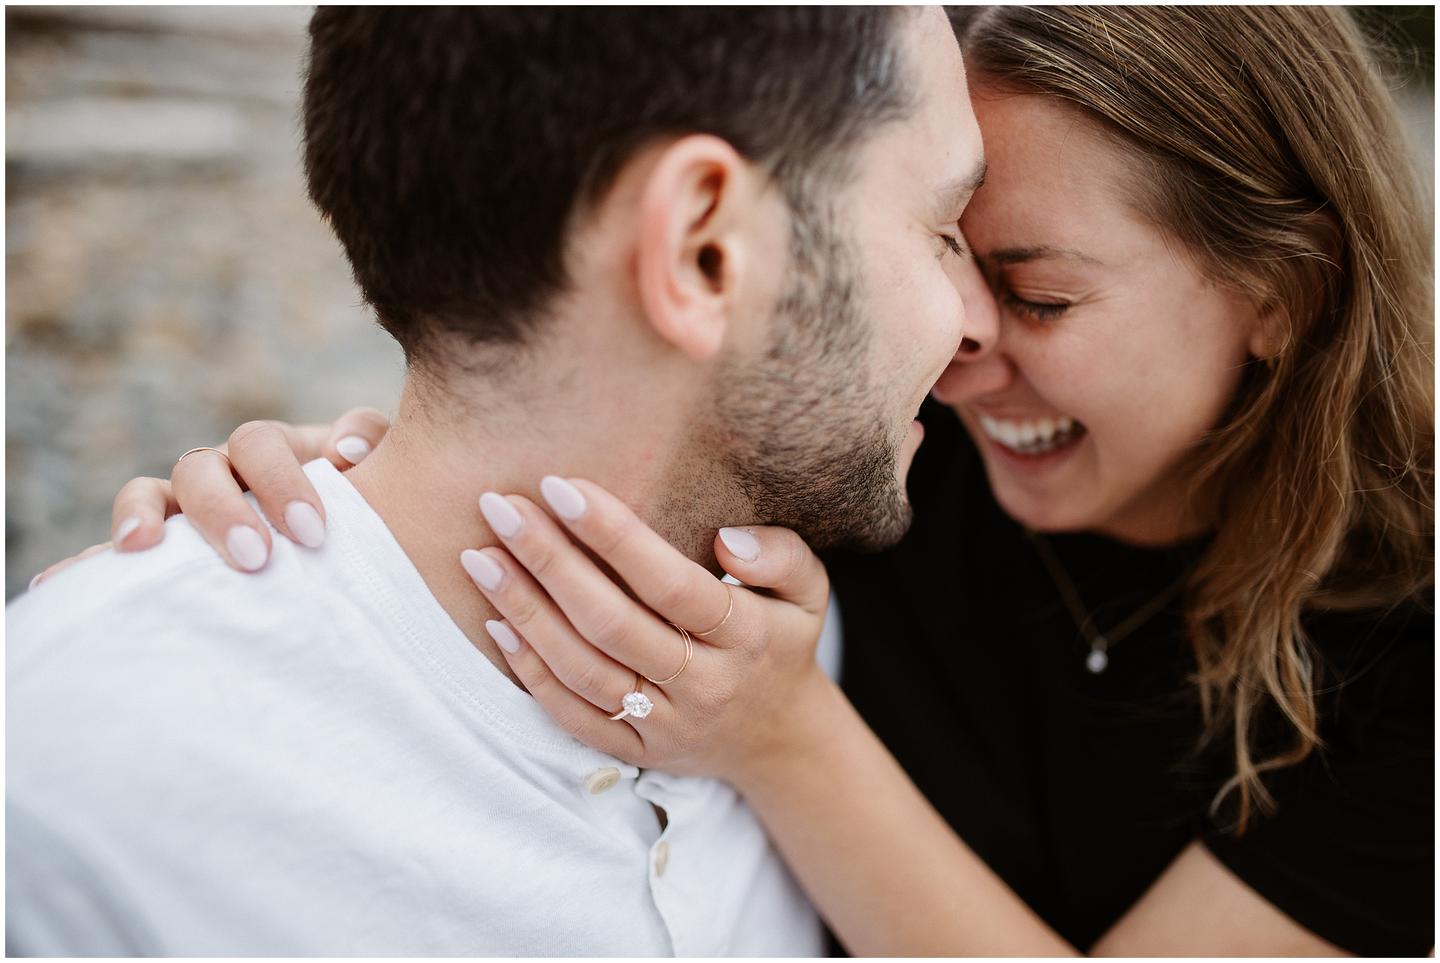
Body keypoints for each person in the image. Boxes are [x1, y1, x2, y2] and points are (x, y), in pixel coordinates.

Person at [75, 5, 1434, 957]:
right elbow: (620, 399)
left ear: (1286, 290)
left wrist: (783, 735)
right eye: (943, 244)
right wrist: (329, 511)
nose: (962, 341)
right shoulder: (885, 455)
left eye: (1039, 294)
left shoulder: (1407, 638)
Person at [7, 8, 991, 955]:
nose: (978, 323)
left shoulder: (777, 642)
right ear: (702, 251)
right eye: (944, 230)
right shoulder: (62, 787)